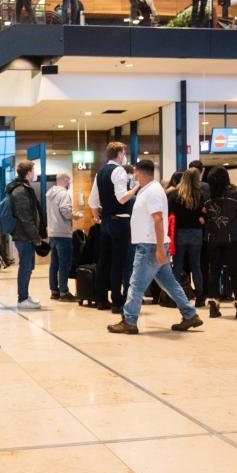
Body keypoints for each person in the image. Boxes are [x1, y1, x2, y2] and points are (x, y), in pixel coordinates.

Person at [109, 160, 204, 335]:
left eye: (135, 174)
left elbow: (158, 219)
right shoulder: (147, 190)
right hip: (152, 245)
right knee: (169, 283)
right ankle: (190, 314)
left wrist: (160, 248)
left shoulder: (152, 192)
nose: (133, 177)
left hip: (150, 246)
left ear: (139, 172)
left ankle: (129, 321)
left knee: (136, 285)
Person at [88, 142, 137, 313]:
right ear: (119, 154)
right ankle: (117, 301)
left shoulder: (100, 172)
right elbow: (122, 198)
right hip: (120, 221)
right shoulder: (119, 171)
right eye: (124, 152)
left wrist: (96, 217)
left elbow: (92, 201)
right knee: (119, 262)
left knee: (104, 261)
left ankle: (101, 299)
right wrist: (136, 187)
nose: (125, 156)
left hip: (106, 222)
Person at [203, 167, 237, 319]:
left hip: (212, 237)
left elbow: (205, 212)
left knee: (213, 272)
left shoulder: (208, 193)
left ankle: (213, 307)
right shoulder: (235, 192)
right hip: (232, 237)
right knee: (235, 273)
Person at [7, 161, 46, 309]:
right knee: (25, 267)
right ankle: (22, 299)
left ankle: (24, 295)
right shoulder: (21, 191)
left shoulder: (23, 189)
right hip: (24, 237)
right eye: (34, 171)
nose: (35, 174)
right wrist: (36, 238)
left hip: (25, 236)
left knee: (27, 267)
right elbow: (25, 217)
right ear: (28, 173)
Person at [168, 167, 206, 307]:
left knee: (177, 265)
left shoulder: (175, 194)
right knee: (196, 265)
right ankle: (200, 297)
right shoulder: (200, 194)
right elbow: (203, 213)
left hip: (179, 233)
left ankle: (175, 297)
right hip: (196, 233)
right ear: (196, 179)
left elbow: (169, 212)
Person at [46, 173, 77, 301]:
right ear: (65, 180)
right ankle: (64, 292)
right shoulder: (64, 193)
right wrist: (74, 215)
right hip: (63, 233)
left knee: (54, 264)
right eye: (69, 180)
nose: (70, 183)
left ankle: (54, 291)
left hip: (52, 232)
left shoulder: (49, 194)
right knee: (64, 263)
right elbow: (65, 210)